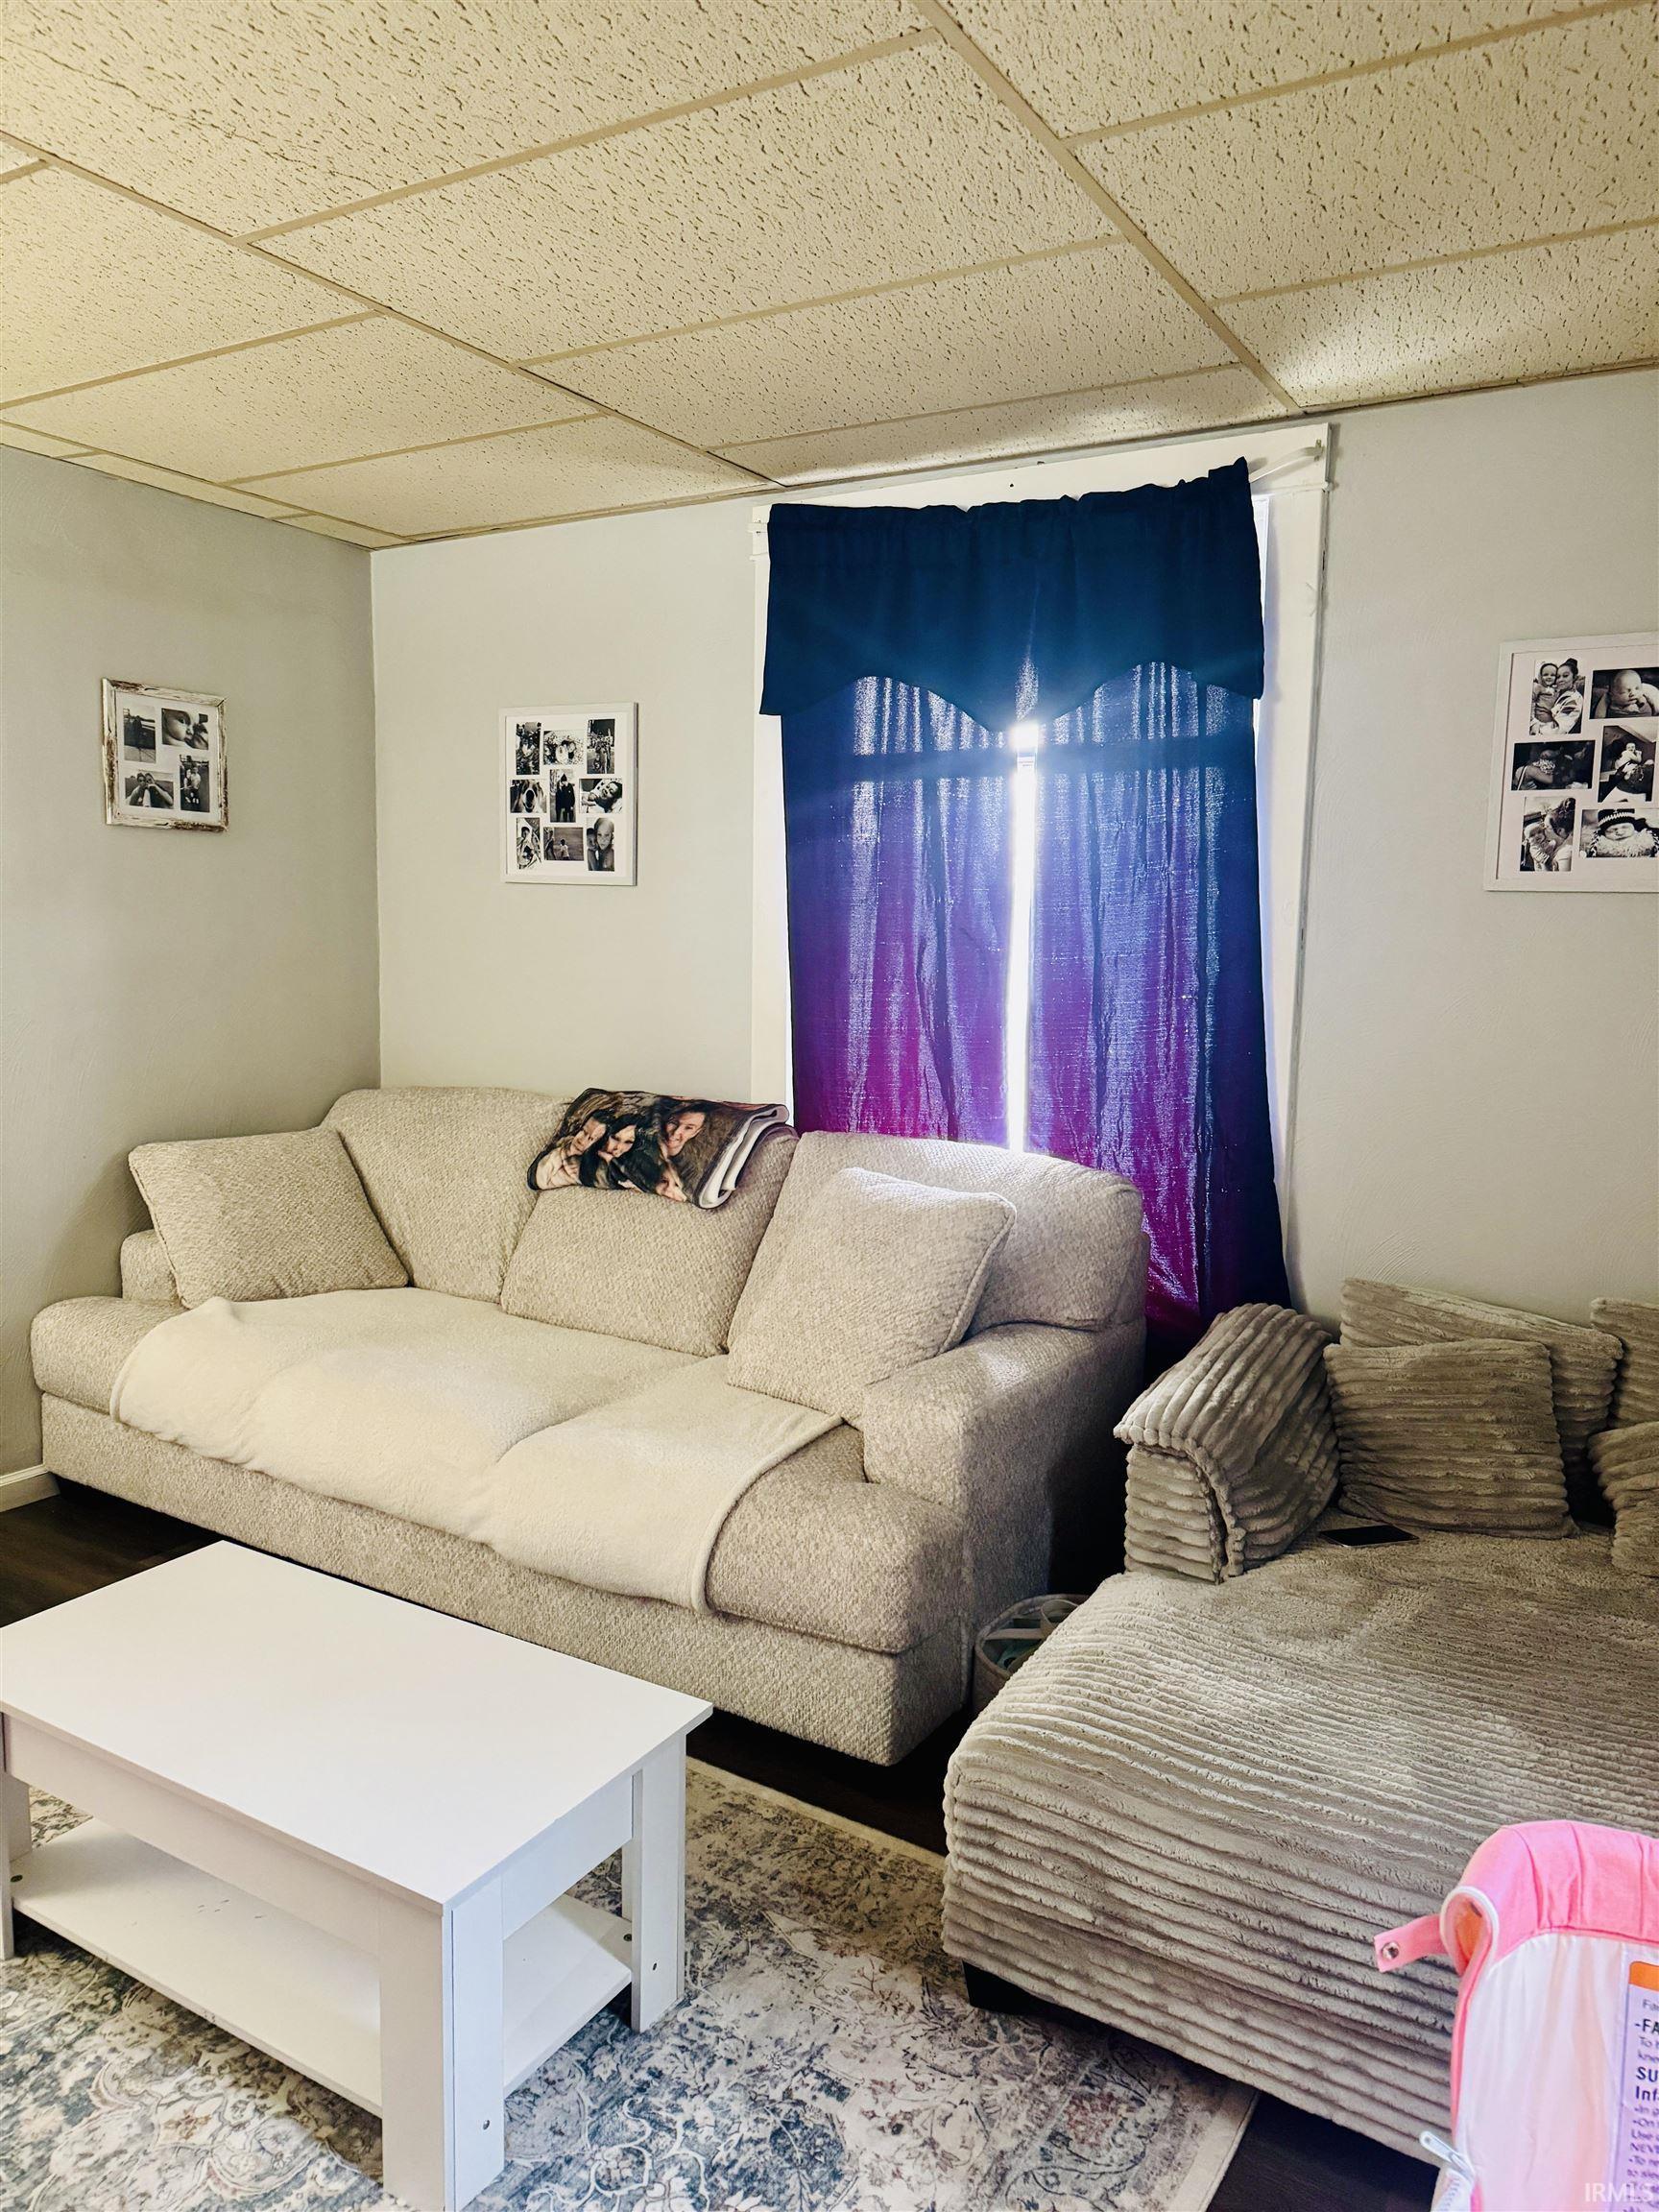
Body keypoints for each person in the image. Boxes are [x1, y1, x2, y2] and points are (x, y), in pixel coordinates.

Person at [532, 1110, 607, 1190]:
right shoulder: (559, 1149)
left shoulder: (584, 1171)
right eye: (583, 1130)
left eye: (591, 1138)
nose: (581, 1140)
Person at [1599, 731, 1654, 803]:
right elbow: (1638, 760)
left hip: (1628, 778)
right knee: (1649, 762)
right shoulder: (1626, 753)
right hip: (1633, 778)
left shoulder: (1616, 762)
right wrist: (1638, 754)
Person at [1594, 668, 1659, 718]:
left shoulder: (1644, 695)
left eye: (1637, 688)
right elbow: (1599, 715)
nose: (1633, 693)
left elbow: (1655, 701)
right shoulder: (1609, 700)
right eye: (1624, 692)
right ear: (1612, 696)